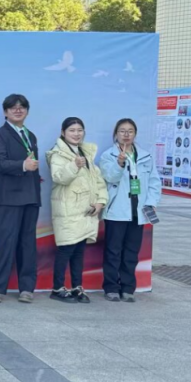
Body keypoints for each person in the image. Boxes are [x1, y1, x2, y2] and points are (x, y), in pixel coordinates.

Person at [0, 94, 41, 304]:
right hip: (8, 197)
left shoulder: (31, 135)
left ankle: (27, 287)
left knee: (28, 244)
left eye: (22, 107)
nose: (18, 110)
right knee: (5, 242)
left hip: (30, 196)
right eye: (13, 107)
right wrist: (22, 166)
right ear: (5, 112)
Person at [46, 117, 107, 304]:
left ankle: (77, 287)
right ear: (63, 133)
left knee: (79, 251)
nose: (76, 134)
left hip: (85, 211)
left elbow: (98, 181)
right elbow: (58, 177)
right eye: (72, 130)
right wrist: (74, 165)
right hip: (68, 210)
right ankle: (57, 288)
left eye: (80, 130)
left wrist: (100, 202)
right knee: (66, 249)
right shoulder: (57, 154)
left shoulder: (86, 153)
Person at [99, 118, 161, 303]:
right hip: (117, 211)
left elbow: (154, 182)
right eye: (122, 131)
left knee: (131, 252)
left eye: (130, 131)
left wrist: (151, 202)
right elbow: (109, 177)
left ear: (135, 134)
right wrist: (119, 163)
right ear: (116, 134)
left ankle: (127, 288)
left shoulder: (145, 156)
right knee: (113, 251)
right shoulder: (108, 155)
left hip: (138, 211)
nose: (126, 135)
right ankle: (111, 287)